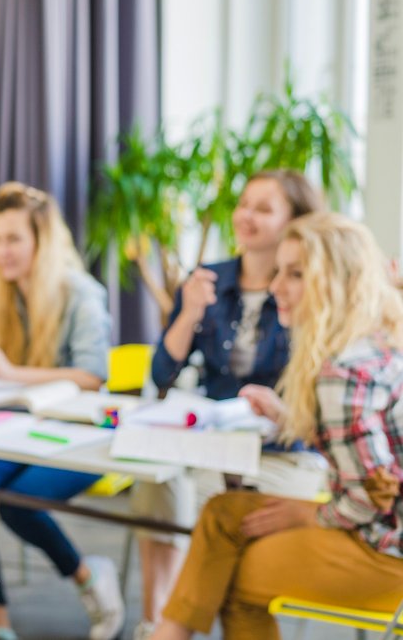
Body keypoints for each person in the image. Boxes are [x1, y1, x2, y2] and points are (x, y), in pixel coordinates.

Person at [150, 211, 403, 639]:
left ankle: (167, 633)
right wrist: (289, 418)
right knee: (220, 513)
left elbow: (372, 497)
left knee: (233, 575)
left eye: (295, 274)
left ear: (336, 282)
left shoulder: (341, 372)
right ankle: (170, 633)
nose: (274, 286)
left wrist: (311, 515)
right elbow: (366, 448)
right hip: (380, 527)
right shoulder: (377, 342)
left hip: (384, 552)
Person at [131, 170, 326, 640]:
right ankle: (157, 618)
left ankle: (172, 627)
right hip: (213, 436)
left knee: (222, 518)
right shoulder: (209, 279)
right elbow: (162, 375)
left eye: (264, 208)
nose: (246, 216)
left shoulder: (309, 291)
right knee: (155, 486)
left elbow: (318, 407)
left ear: (295, 223)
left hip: (280, 443)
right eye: (244, 204)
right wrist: (191, 312)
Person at [0, 182, 124, 640]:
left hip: (80, 431)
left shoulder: (81, 292)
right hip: (16, 429)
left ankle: (89, 576)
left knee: (18, 508)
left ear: (42, 242)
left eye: (14, 239)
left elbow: (91, 376)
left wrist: (11, 372)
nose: (3, 251)